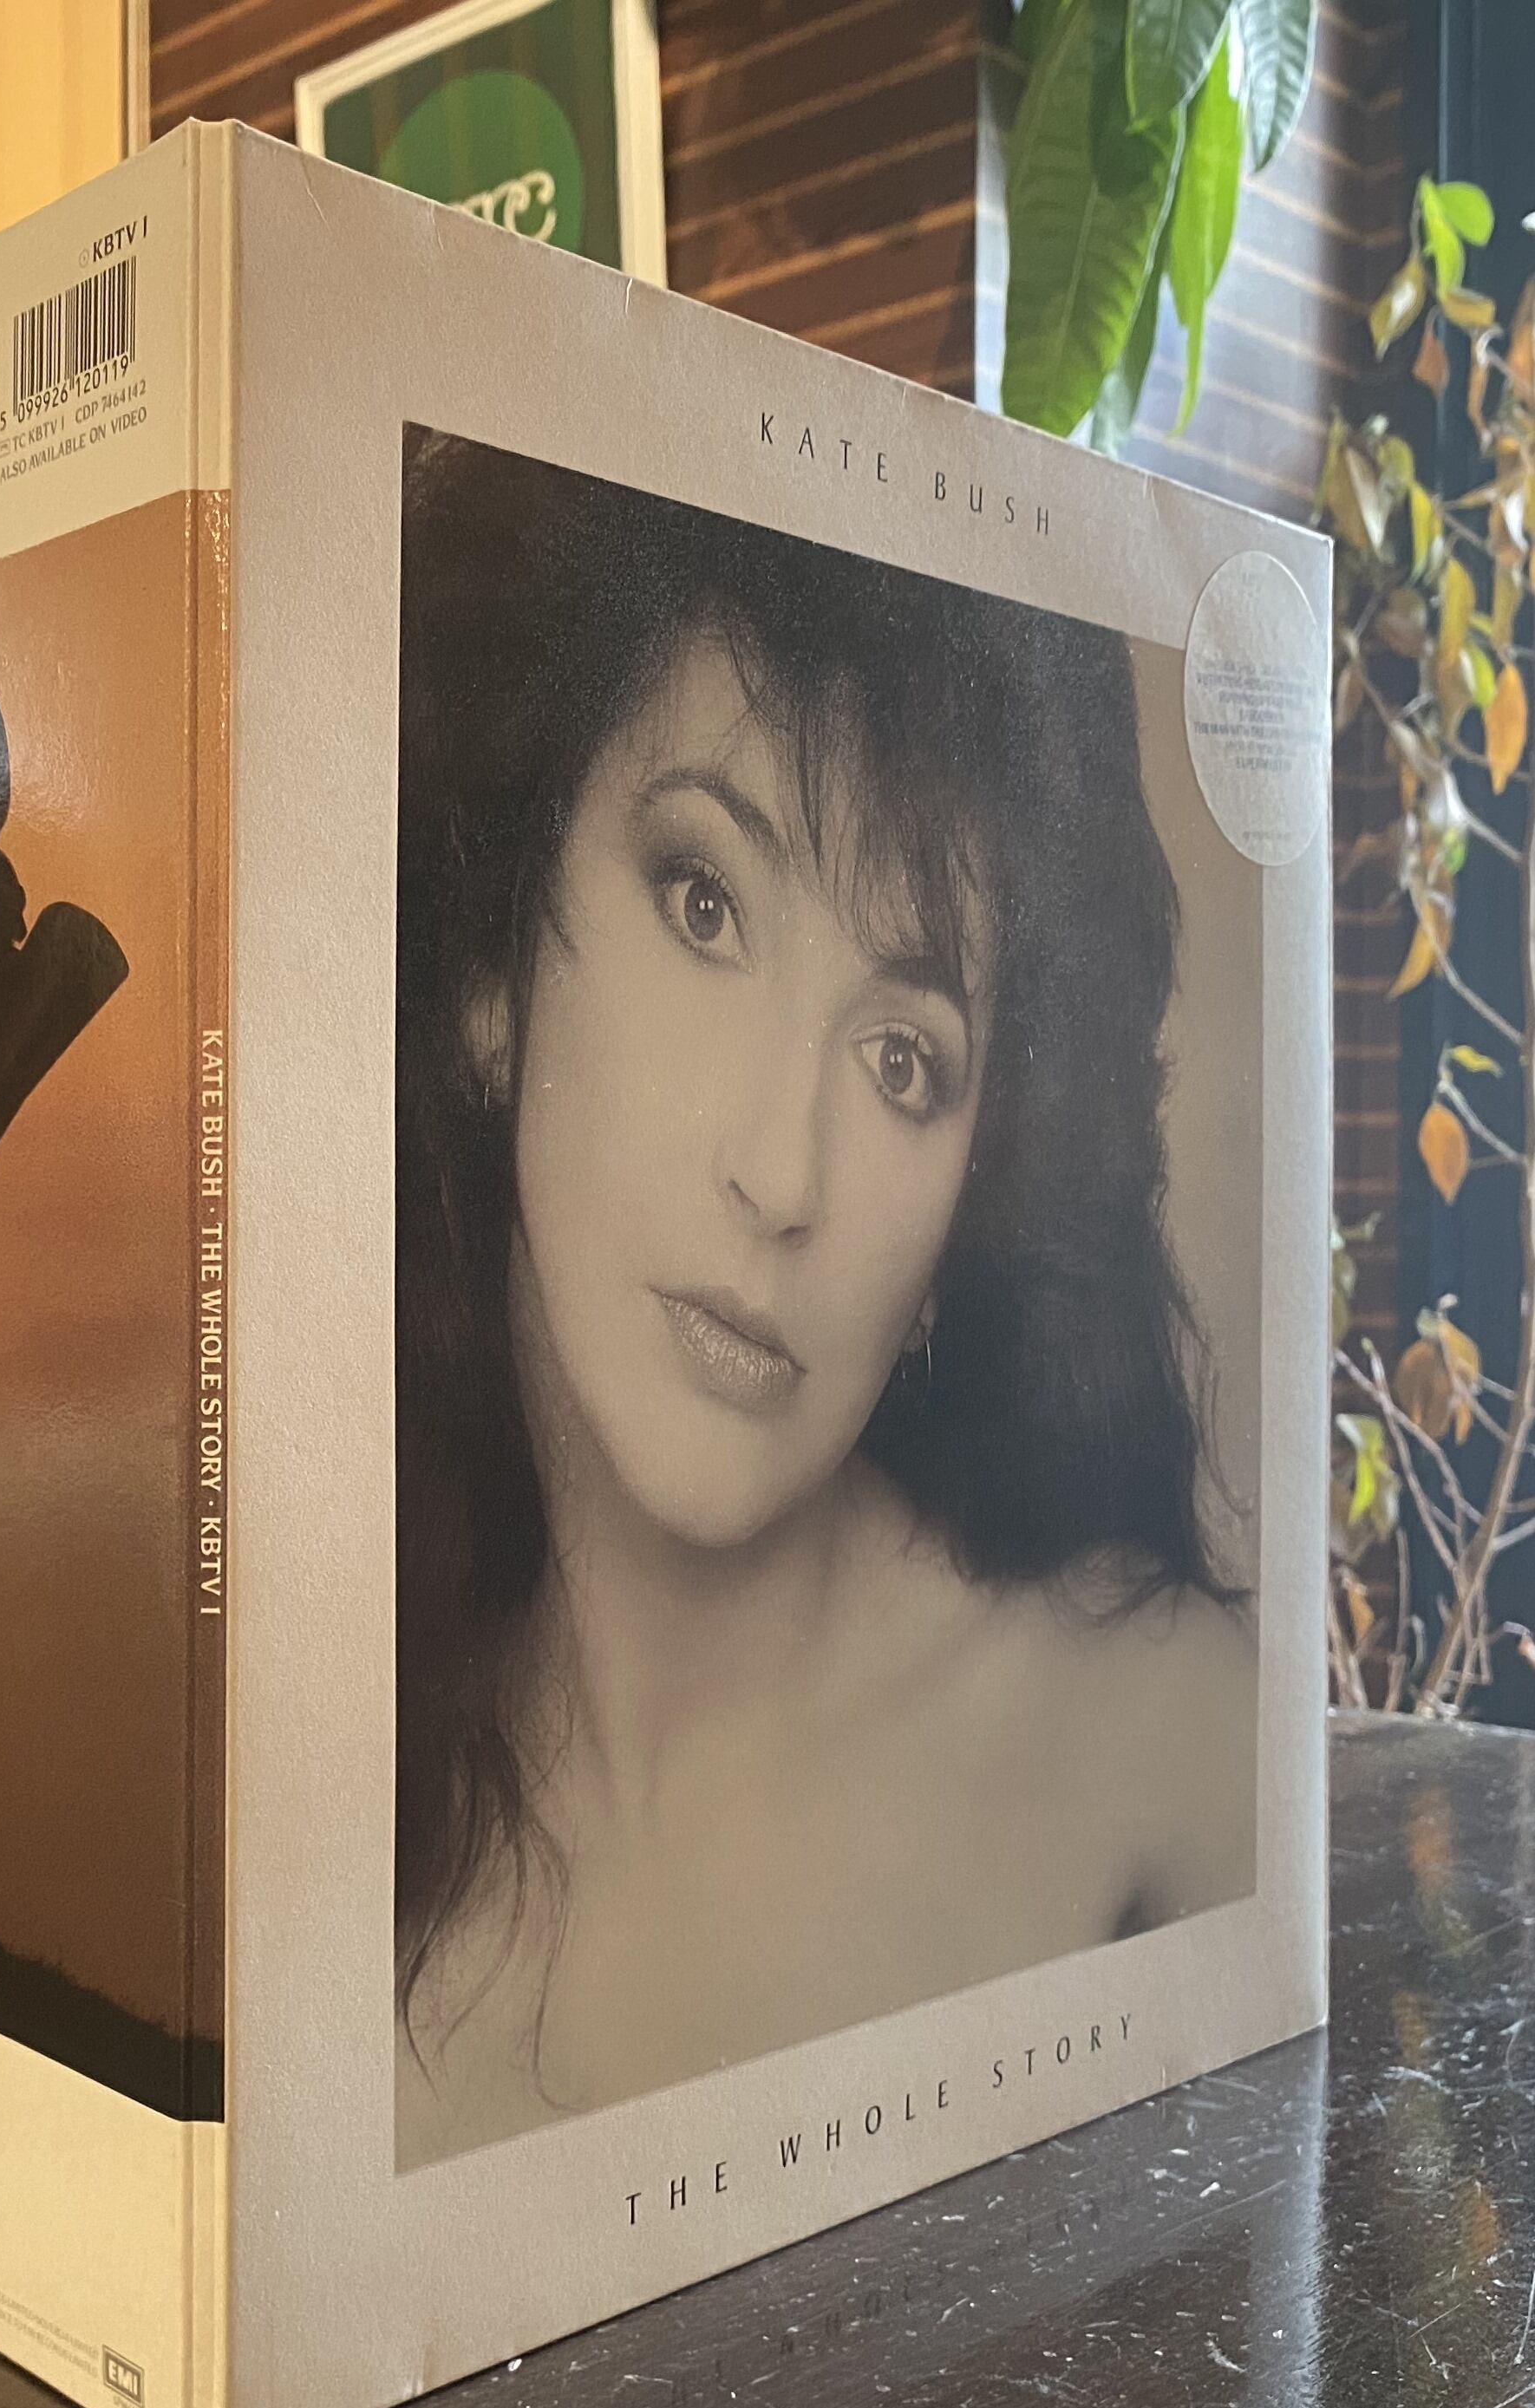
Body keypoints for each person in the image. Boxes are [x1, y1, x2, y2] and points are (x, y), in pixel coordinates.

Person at [394, 431, 1255, 2164]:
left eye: (901, 1060)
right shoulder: (338, 1792)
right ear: (489, 978)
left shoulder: (1161, 1750)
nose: (785, 1178)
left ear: (966, 1218)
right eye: (705, 903)